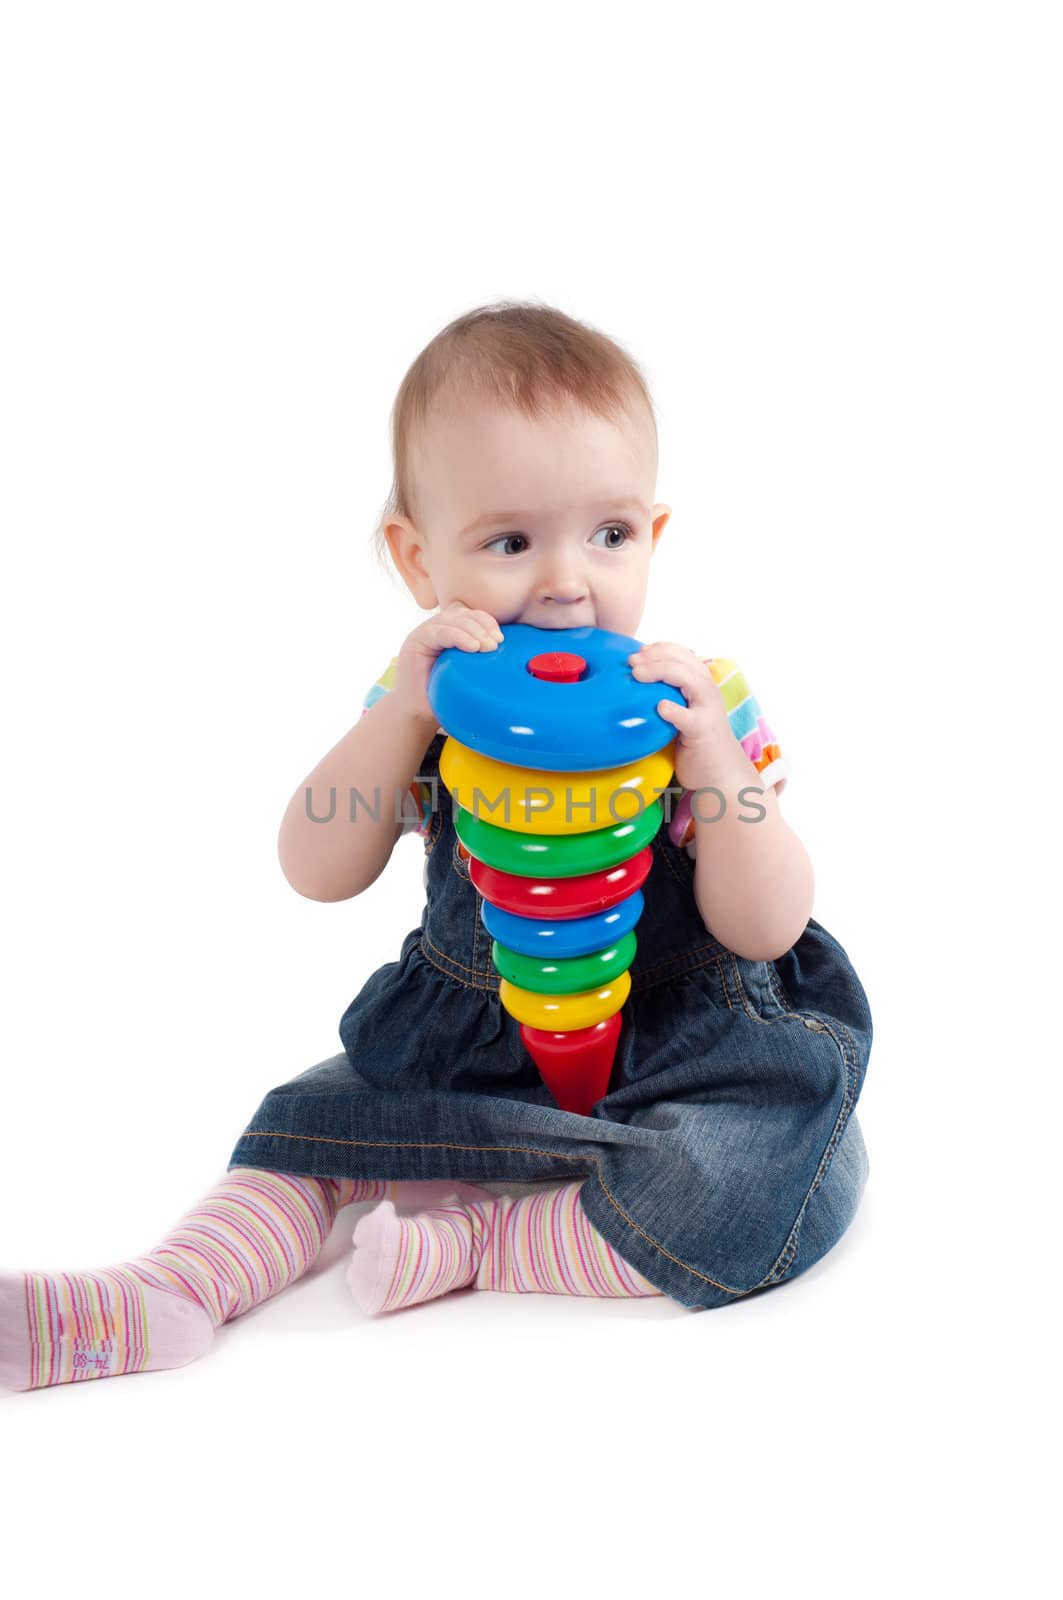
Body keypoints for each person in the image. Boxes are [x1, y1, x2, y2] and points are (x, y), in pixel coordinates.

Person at [0, 301, 872, 1390]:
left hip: (685, 1043)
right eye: (509, 541)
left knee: (759, 1185)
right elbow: (315, 866)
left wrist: (712, 762)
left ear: (653, 536)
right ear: (417, 562)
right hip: (473, 1035)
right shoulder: (430, 703)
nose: (564, 579)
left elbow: (766, 921)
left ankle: (474, 1244)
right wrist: (397, 719)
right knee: (300, 1126)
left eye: (606, 534)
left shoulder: (701, 703)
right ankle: (165, 1294)